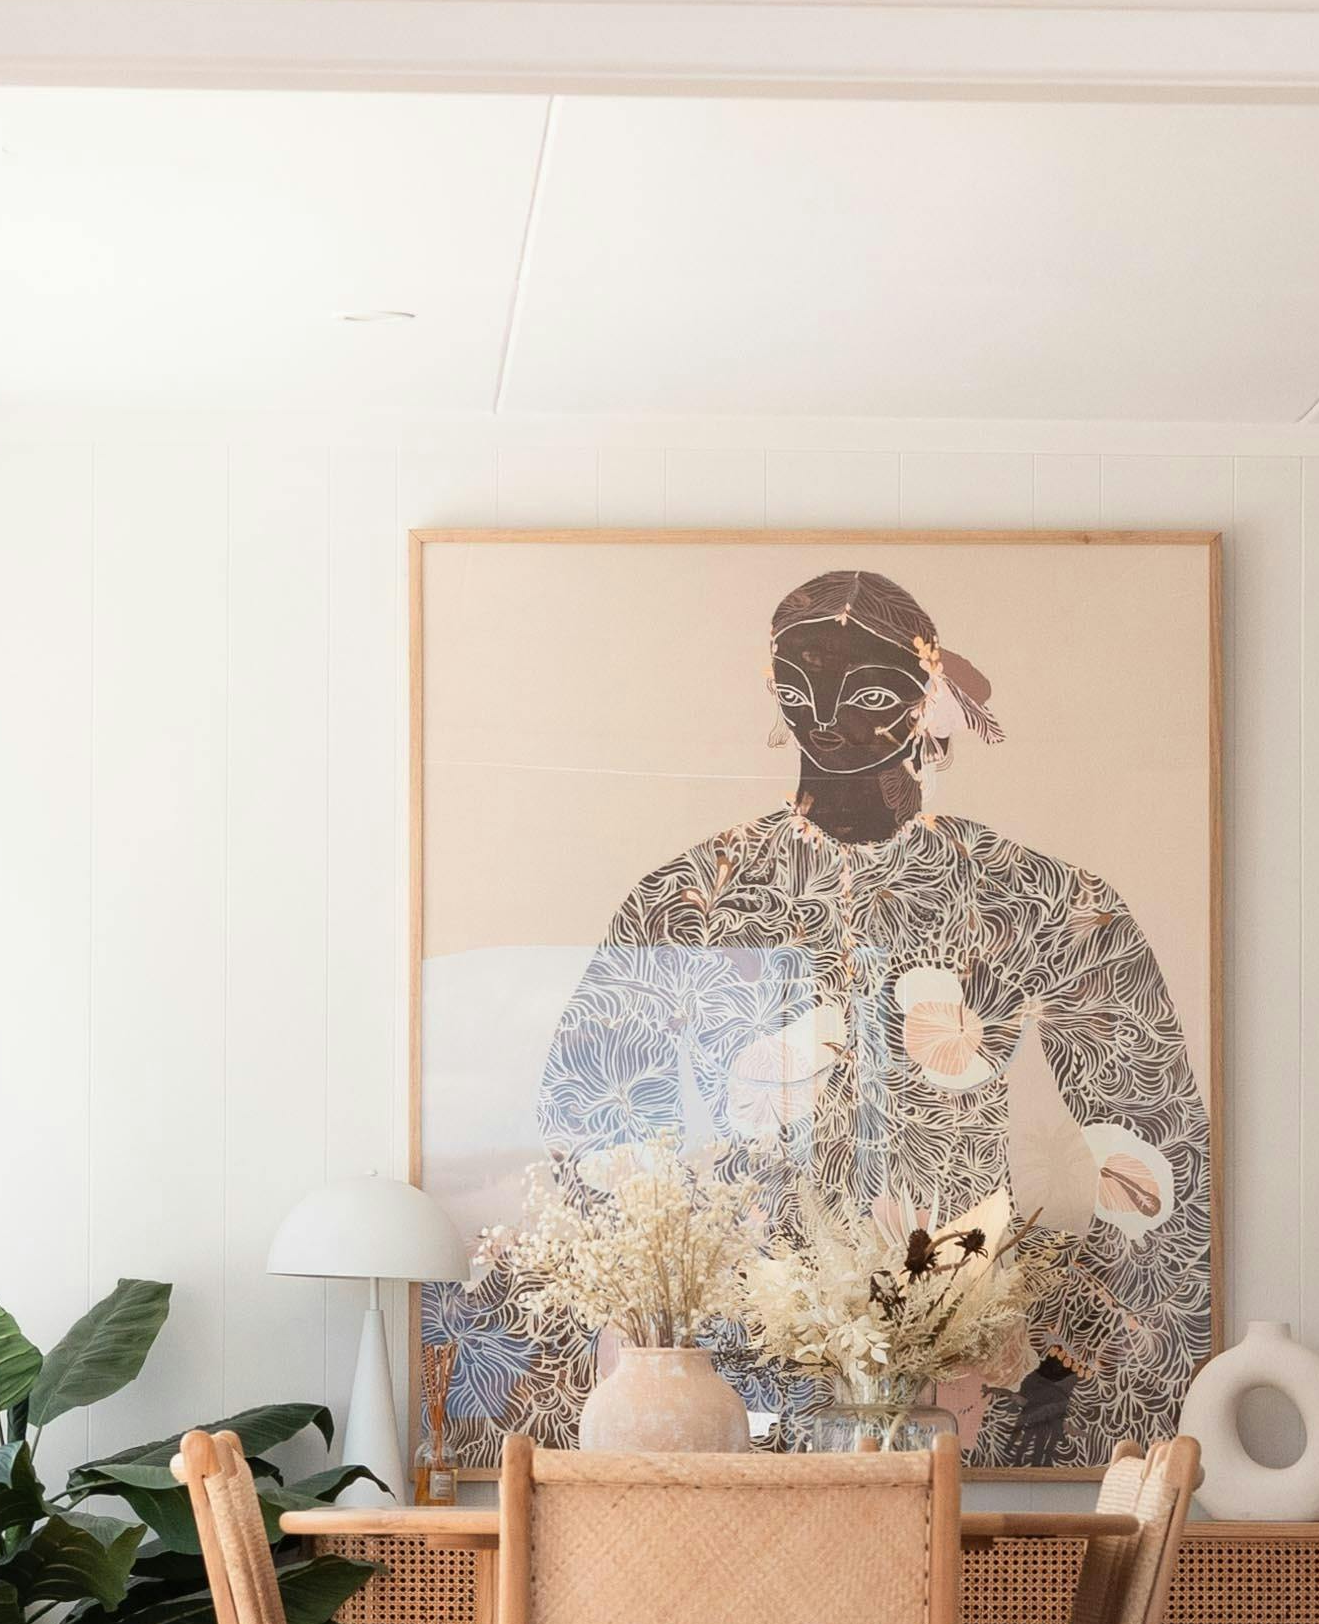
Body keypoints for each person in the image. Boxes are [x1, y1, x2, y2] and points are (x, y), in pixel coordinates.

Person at [499, 565, 1211, 1468]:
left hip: (960, 1397)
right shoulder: (688, 902)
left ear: (927, 700)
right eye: (799, 691)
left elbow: (1156, 1148)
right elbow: (591, 1139)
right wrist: (653, 1378)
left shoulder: (1036, 896)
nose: (827, 719)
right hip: (740, 1405)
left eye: (870, 693)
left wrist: (1061, 1367)